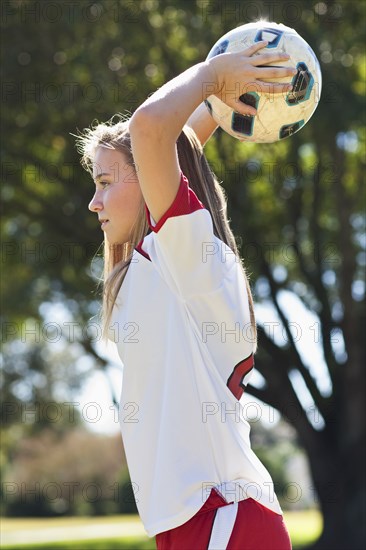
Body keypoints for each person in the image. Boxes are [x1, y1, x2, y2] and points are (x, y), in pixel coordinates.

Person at [77, 41, 295, 550]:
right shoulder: (160, 260)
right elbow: (175, 139)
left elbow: (153, 129)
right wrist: (220, 103)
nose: (94, 202)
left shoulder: (187, 257)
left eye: (105, 182)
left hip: (224, 519)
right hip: (197, 523)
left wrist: (214, 73)